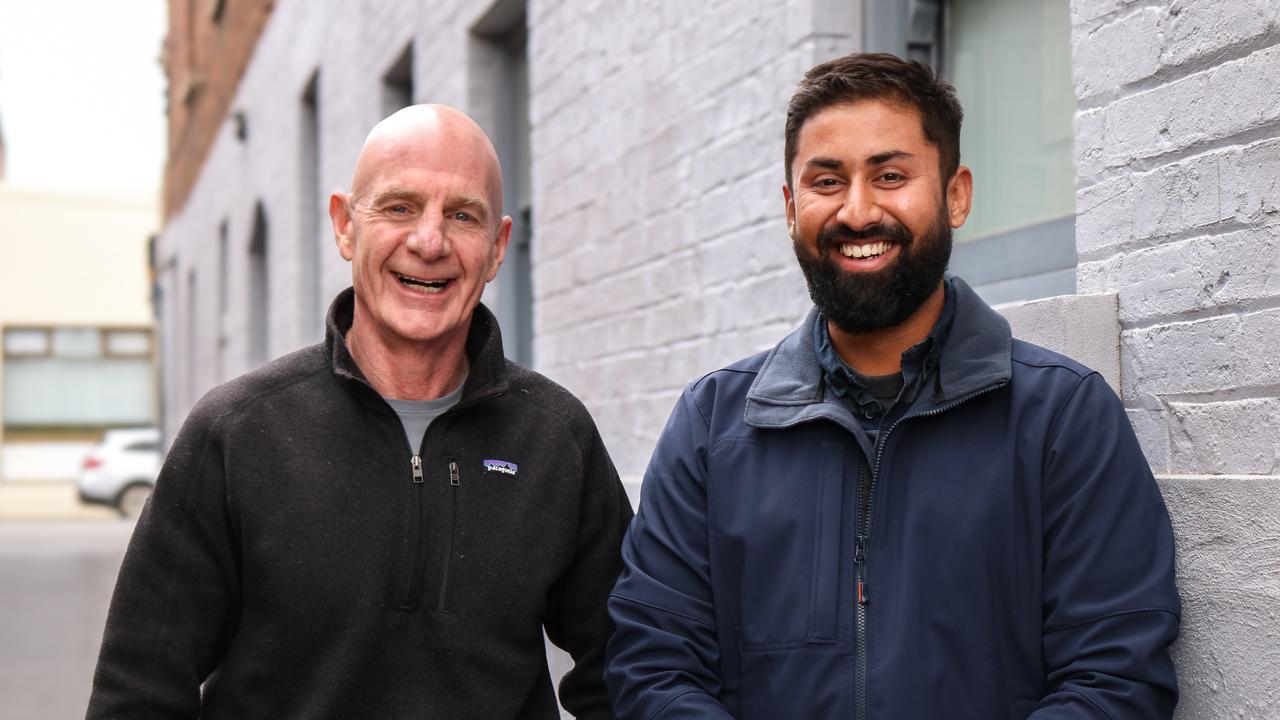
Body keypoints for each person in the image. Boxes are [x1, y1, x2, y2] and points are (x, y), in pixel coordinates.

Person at [605, 53, 1180, 719]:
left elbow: (1116, 681)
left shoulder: (1063, 420)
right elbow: (652, 666)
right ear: (791, 209)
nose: (857, 211)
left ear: (955, 194)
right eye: (827, 181)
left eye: (890, 175)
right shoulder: (712, 428)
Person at [87, 105, 632, 720]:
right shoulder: (237, 434)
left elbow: (626, 669)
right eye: (399, 207)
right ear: (345, 226)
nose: (429, 242)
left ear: (499, 246)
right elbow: (140, 691)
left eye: (462, 215)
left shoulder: (555, 438)